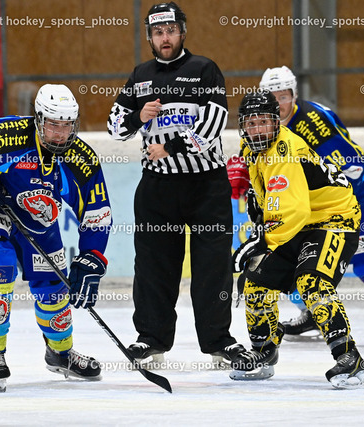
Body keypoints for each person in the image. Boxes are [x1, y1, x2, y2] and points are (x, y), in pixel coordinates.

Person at [0, 84, 112, 391]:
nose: (60, 134)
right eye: (53, 125)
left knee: (54, 287)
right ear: (38, 119)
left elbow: (97, 210)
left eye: (67, 126)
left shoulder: (80, 158)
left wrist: (92, 257)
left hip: (37, 216)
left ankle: (60, 353)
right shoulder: (9, 134)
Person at [227, 65, 364, 338]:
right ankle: (313, 315)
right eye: (273, 97)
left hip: (350, 202)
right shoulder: (263, 126)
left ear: (294, 95)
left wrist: (346, 221)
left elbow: (353, 168)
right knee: (292, 268)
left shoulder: (313, 121)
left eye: (284, 96)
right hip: (309, 209)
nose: (279, 104)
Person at [107, 1, 244, 366]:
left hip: (206, 187)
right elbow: (115, 127)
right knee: (153, 268)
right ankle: (150, 338)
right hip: (158, 190)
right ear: (150, 37)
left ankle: (219, 342)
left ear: (182, 32)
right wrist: (139, 115)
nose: (164, 38)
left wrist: (168, 147)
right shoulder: (140, 76)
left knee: (212, 268)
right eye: (157, 32)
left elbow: (214, 126)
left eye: (170, 30)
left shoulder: (204, 70)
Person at [230, 90, 364, 389]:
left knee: (312, 282)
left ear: (276, 122)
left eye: (262, 122)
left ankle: (350, 357)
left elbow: (291, 210)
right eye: (250, 123)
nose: (256, 129)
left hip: (334, 219)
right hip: (301, 223)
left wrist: (261, 242)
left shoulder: (285, 150)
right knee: (256, 281)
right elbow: (270, 202)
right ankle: (264, 352)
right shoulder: (251, 149)